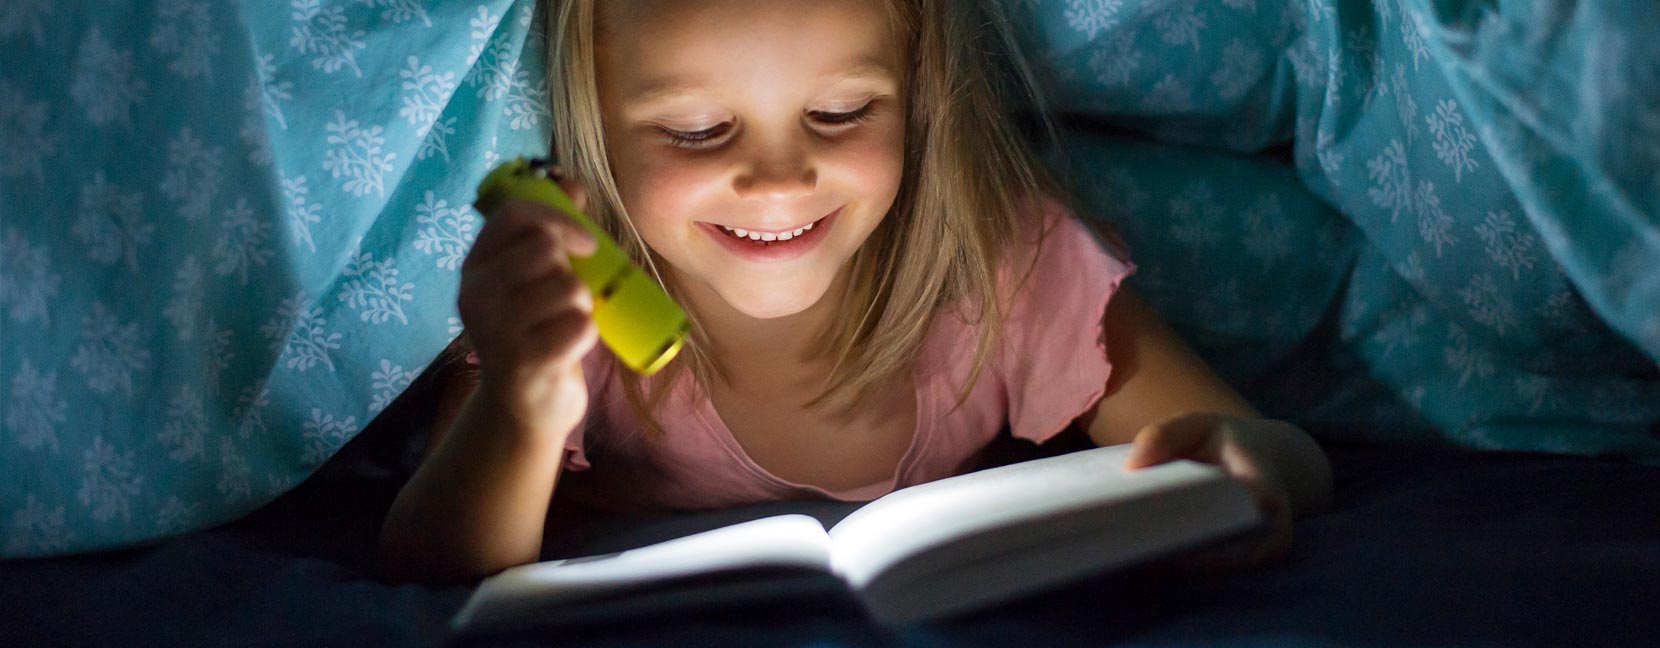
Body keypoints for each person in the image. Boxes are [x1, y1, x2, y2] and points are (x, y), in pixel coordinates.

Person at [377, 0, 1333, 584]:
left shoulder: (1001, 257)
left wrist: (1246, 468)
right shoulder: (570, 301)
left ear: (919, 95)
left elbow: (1285, 455)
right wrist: (520, 405)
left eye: (839, 113)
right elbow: (432, 558)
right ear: (594, 127)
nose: (778, 179)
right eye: (700, 129)